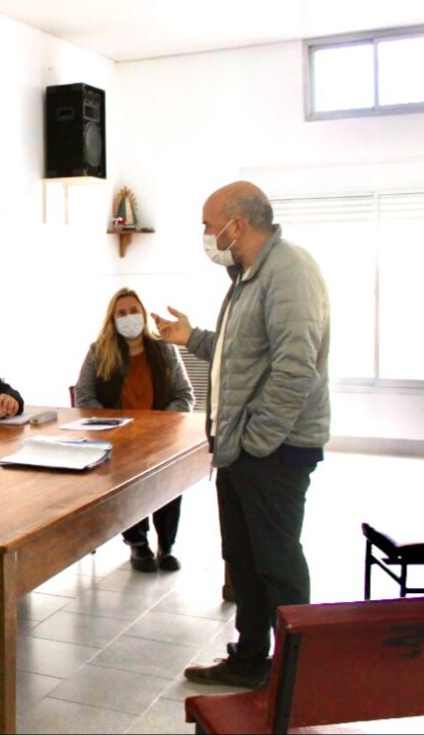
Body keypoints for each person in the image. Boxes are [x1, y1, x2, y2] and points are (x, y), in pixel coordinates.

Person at [153, 181, 330, 689]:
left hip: (272, 450)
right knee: (246, 561)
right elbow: (242, 354)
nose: (207, 235)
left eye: (210, 225)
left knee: (276, 563)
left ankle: (302, 674)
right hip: (239, 447)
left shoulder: (289, 271)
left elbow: (297, 368)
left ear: (238, 224)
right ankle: (251, 659)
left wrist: (257, 440)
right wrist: (191, 339)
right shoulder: (248, 274)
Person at [74, 287, 194, 572]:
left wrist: (160, 422)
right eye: (122, 313)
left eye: (134, 311)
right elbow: (83, 395)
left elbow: (185, 394)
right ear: (112, 319)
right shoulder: (99, 351)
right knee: (128, 486)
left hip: (161, 436)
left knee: (169, 484)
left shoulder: (165, 349)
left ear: (143, 314)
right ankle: (138, 544)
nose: (129, 317)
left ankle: (167, 546)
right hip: (119, 438)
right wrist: (112, 422)